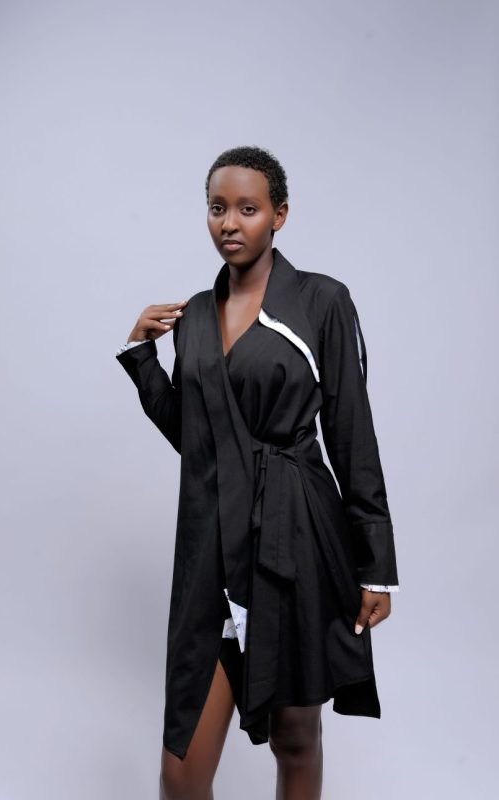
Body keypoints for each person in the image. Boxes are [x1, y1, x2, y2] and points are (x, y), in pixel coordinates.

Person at [115, 145, 399, 800]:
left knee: (295, 736)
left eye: (247, 208)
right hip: (212, 540)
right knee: (181, 772)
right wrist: (141, 358)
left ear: (279, 215)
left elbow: (352, 435)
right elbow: (200, 441)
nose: (229, 222)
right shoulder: (192, 316)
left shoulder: (321, 301)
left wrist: (375, 565)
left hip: (296, 533)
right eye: (217, 208)